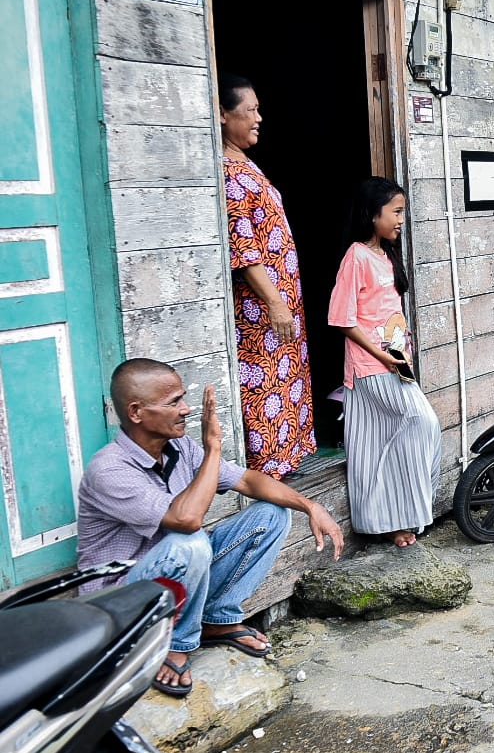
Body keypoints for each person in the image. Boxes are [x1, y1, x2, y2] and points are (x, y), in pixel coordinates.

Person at [76, 359, 344, 698]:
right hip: (120, 601)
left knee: (272, 513)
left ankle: (217, 619)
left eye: (183, 398)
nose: (186, 409)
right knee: (191, 541)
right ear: (136, 412)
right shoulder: (109, 470)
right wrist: (213, 448)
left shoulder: (180, 448)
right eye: (173, 402)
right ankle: (175, 642)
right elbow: (186, 520)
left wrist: (311, 505)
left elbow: (247, 480)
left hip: (173, 577)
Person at [328, 177, 443, 548]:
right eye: (395, 212)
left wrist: (399, 356)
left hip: (395, 362)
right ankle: (395, 519)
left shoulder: (386, 255)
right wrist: (382, 354)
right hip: (371, 365)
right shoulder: (356, 256)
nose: (400, 220)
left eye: (402, 212)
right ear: (371, 213)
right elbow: (342, 319)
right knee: (418, 423)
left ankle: (399, 517)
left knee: (394, 438)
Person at [220, 74, 317, 479]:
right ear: (223, 115)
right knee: (265, 386)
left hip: (279, 301)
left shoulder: (245, 162)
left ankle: (286, 462)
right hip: (260, 308)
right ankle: (268, 473)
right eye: (251, 110)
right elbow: (243, 249)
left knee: (285, 381)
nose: (259, 117)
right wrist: (275, 302)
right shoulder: (225, 170)